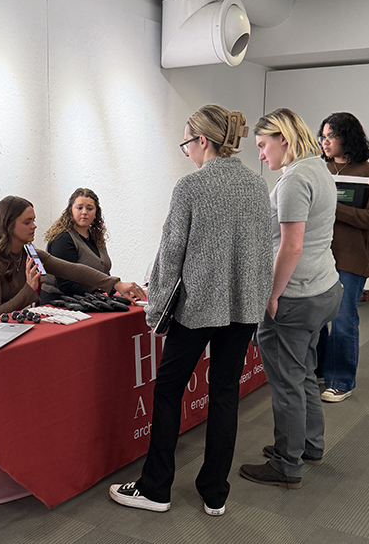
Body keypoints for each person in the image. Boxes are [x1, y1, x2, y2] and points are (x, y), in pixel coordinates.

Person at [109, 105, 273, 516]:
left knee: (167, 391)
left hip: (198, 308)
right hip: (243, 309)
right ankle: (215, 492)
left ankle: (155, 488)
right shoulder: (256, 185)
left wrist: (154, 310)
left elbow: (170, 255)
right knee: (224, 396)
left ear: (203, 140)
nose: (186, 151)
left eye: (186, 142)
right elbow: (261, 250)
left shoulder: (190, 188)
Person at [239, 108, 343, 490]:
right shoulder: (320, 169)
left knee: (286, 381)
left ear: (283, 138)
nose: (262, 156)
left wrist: (270, 296)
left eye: (264, 145)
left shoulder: (296, 179)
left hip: (297, 295)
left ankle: (287, 464)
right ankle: (309, 446)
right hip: (324, 288)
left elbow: (291, 246)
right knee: (303, 373)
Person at [0, 195, 144, 318]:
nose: (34, 226)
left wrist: (115, 283)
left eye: (33, 220)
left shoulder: (28, 252)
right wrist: (29, 289)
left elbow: (72, 270)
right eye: (27, 222)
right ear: (8, 225)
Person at [316, 112, 369, 403]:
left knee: (343, 320)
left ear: (347, 137)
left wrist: (334, 207)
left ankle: (341, 380)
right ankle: (320, 370)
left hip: (352, 258)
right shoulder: (319, 169)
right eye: (322, 136)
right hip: (319, 256)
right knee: (316, 318)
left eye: (330, 136)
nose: (325, 142)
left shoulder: (367, 172)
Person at [40, 188, 112, 305]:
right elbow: (66, 284)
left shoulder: (96, 237)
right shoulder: (62, 238)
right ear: (70, 211)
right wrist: (101, 290)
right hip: (60, 302)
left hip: (89, 299)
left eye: (89, 208)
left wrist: (113, 287)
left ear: (96, 213)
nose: (84, 212)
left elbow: (104, 272)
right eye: (79, 208)